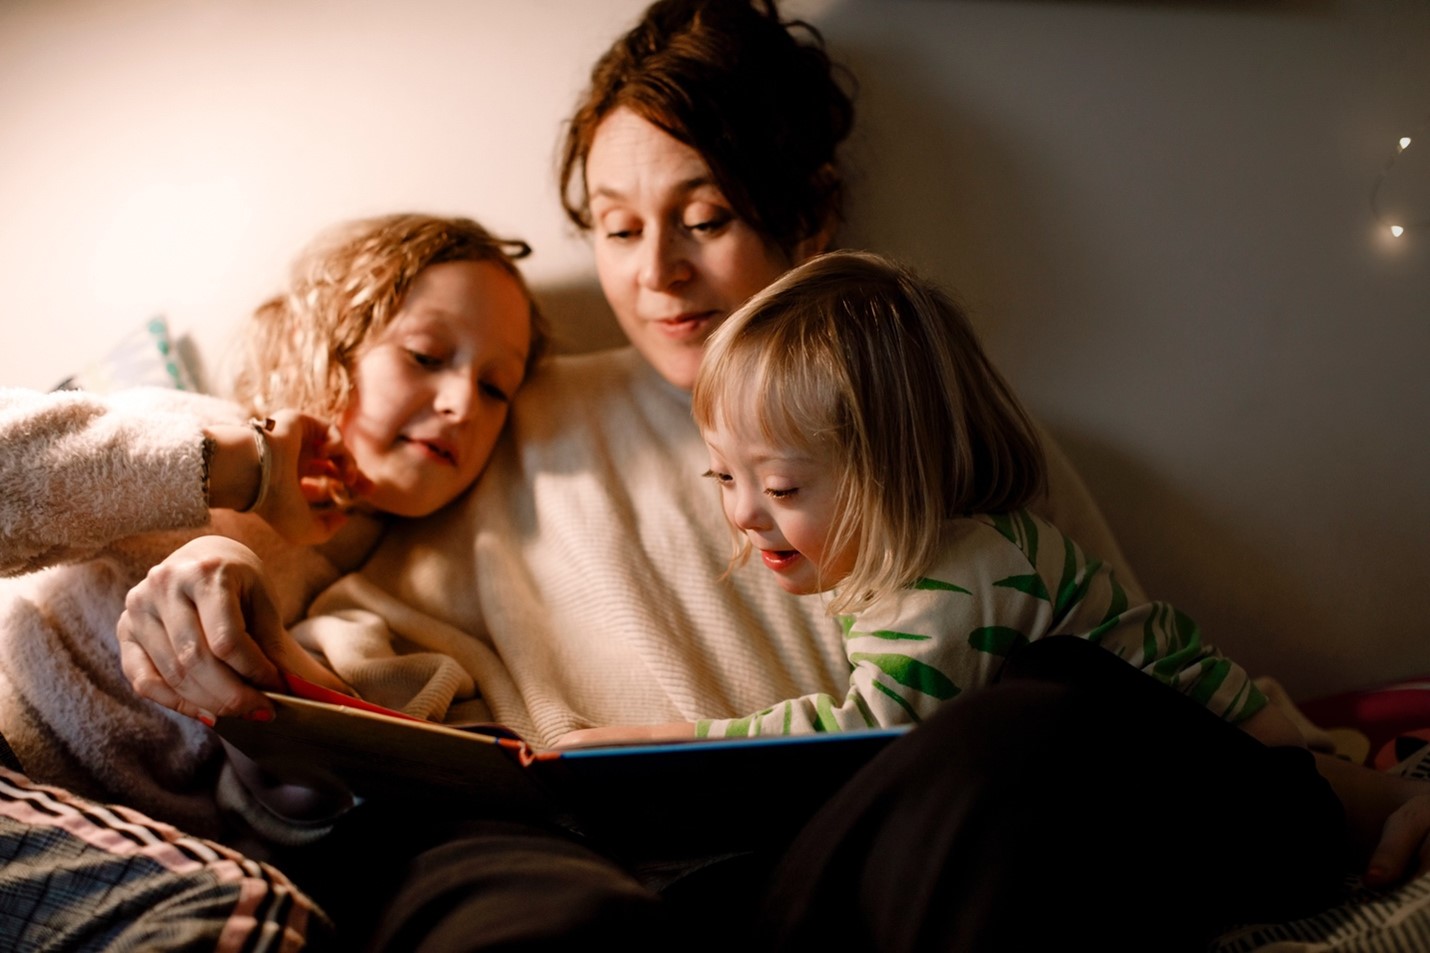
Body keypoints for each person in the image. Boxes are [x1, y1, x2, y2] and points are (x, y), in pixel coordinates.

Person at [116, 1, 1430, 950]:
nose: (654, 275)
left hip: (887, 850)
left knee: (1049, 723)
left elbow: (1133, 676)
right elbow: (317, 513)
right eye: (620, 229)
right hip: (622, 864)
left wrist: (1338, 777)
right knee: (499, 892)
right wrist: (217, 553)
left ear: (804, 216)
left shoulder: (923, 407)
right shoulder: (512, 391)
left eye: (704, 219)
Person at [559, 248, 1269, 749]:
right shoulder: (912, 577)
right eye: (723, 477)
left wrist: (665, 740)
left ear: (902, 476)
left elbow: (867, 735)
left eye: (780, 487)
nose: (743, 512)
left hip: (1238, 765)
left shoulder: (959, 580)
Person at [0, 211, 545, 850]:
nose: (461, 403)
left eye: (495, 387)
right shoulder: (195, 427)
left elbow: (268, 803)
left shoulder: (390, 578)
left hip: (136, 856)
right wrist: (241, 470)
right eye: (426, 356)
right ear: (335, 341)